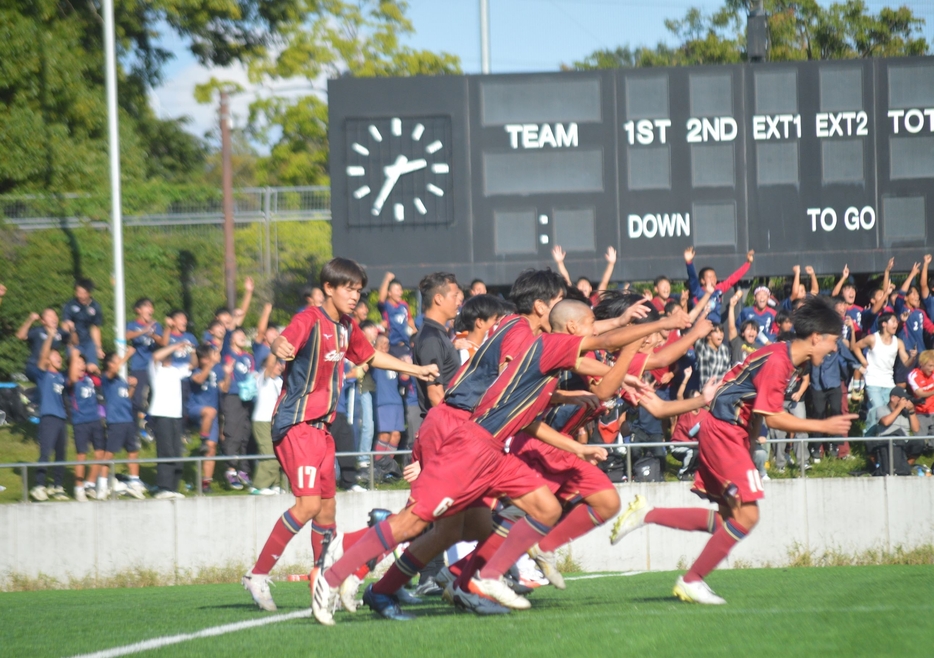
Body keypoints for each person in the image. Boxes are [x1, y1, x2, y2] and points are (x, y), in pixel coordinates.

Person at [313, 299, 680, 624]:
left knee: (544, 508)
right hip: (469, 448)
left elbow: (588, 392)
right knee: (414, 523)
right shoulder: (546, 344)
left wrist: (579, 447)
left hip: (493, 453)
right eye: (586, 325)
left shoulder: (545, 365)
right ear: (568, 326)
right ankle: (336, 572)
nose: (592, 332)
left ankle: (484, 576)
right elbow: (603, 342)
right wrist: (655, 327)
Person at [610, 296, 857, 605]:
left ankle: (648, 514)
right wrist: (825, 426)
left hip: (728, 433)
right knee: (749, 516)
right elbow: (772, 415)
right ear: (816, 338)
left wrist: (750, 445)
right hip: (724, 432)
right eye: (833, 342)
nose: (834, 349)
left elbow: (754, 408)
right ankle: (691, 580)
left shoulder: (784, 356)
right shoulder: (780, 362)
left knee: (730, 520)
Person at [241, 257, 438, 613]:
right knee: (309, 505)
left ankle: (322, 581)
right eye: (348, 288)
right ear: (328, 289)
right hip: (296, 425)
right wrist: (278, 347)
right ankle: (258, 575)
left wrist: (416, 369)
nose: (355, 296)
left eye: (359, 290)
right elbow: (284, 340)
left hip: (323, 430)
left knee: (327, 512)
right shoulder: (309, 318)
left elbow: (372, 357)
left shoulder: (346, 327)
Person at [850, 312, 915, 426]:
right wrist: (863, 360)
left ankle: (885, 437)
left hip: (889, 383)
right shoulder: (872, 338)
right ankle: (870, 439)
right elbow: (855, 346)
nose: (896, 324)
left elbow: (906, 362)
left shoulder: (898, 342)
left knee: (888, 410)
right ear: (884, 324)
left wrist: (913, 357)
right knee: (877, 409)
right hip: (872, 381)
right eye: (893, 321)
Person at [99, 350, 147, 499]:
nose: (120, 361)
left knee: (133, 450)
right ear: (110, 363)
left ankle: (134, 481)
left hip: (128, 420)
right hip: (116, 421)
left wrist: (132, 387)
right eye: (117, 359)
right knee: (110, 453)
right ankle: (102, 483)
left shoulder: (120, 380)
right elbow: (113, 370)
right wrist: (127, 355)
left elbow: (126, 397)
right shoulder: (108, 377)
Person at [149, 341, 193, 499]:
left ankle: (173, 487)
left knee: (176, 452)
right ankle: (163, 487)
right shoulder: (156, 369)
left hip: (176, 416)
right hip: (162, 415)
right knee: (166, 450)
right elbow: (155, 356)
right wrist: (174, 346)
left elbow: (192, 365)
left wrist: (191, 349)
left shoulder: (176, 370)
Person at [30, 330, 69, 502]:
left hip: (61, 419)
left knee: (61, 454)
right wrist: (51, 337)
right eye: (55, 356)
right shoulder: (43, 375)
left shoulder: (61, 377)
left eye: (59, 355)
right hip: (48, 418)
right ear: (47, 360)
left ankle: (57, 486)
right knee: (45, 452)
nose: (58, 358)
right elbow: (43, 354)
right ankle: (39, 485)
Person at [188, 344, 230, 493]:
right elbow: (199, 380)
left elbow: (224, 388)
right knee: (210, 411)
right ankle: (203, 439)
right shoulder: (195, 370)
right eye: (211, 355)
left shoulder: (217, 369)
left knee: (211, 449)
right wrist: (211, 364)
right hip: (196, 409)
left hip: (211, 415)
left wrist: (227, 374)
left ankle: (206, 483)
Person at [66, 348, 105, 502]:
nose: (81, 366)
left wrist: (96, 370)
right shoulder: (70, 381)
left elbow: (103, 379)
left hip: (95, 419)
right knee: (81, 455)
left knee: (100, 453)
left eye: (83, 363)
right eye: (77, 363)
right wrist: (73, 356)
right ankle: (79, 488)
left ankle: (90, 483)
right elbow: (72, 378)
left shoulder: (89, 379)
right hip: (80, 422)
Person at [221, 327, 256, 490]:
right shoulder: (228, 354)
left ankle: (243, 470)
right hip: (233, 397)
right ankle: (231, 469)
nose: (243, 336)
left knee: (245, 434)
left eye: (244, 334)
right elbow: (227, 334)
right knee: (232, 432)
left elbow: (252, 374)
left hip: (247, 398)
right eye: (239, 334)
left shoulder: (248, 357)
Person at [126, 298, 165, 441]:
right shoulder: (132, 324)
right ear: (138, 310)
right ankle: (134, 431)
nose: (151, 310)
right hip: (138, 367)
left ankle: (150, 425)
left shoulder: (156, 325)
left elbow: (162, 342)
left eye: (151, 307)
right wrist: (143, 330)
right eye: (147, 307)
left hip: (153, 367)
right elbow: (126, 335)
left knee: (158, 398)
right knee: (136, 400)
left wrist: (153, 334)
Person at [684, 247, 753, 324]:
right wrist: (689, 262)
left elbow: (733, 279)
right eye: (709, 277)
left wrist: (748, 263)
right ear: (702, 280)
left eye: (714, 276)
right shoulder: (697, 290)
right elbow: (692, 277)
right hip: (700, 325)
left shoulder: (718, 289)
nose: (713, 279)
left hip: (715, 327)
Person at [371, 335, 406, 480]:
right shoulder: (375, 360)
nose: (386, 345)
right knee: (384, 435)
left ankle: (387, 467)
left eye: (387, 343)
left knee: (396, 435)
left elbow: (404, 379)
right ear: (377, 345)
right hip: (383, 402)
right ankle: (377, 466)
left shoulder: (392, 360)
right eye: (382, 343)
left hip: (397, 402)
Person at [251, 353, 285, 495]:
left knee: (279, 453)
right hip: (262, 421)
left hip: (275, 422)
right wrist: (274, 350)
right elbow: (270, 364)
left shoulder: (280, 381)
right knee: (269, 453)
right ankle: (258, 486)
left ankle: (275, 484)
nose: (280, 366)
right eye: (277, 363)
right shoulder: (262, 378)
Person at [17, 309, 69, 384]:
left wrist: (70, 327)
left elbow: (73, 342)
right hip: (34, 366)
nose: (54, 318)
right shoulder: (38, 331)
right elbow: (20, 336)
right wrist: (30, 320)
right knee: (47, 379)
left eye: (55, 315)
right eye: (50, 316)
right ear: (43, 321)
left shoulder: (60, 332)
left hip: (51, 368)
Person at [552, 245, 616, 304]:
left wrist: (611, 263)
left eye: (585, 285)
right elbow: (566, 279)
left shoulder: (596, 299)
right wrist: (559, 262)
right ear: (576, 289)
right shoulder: (574, 300)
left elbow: (604, 281)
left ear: (590, 289)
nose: (583, 286)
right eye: (581, 285)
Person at [62, 278, 104, 366]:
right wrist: (69, 341)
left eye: (83, 293)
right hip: (74, 342)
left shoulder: (95, 306)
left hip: (89, 343)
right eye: (78, 292)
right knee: (74, 367)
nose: (80, 295)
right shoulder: (70, 305)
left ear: (89, 293)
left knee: (92, 367)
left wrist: (98, 348)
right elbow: (65, 325)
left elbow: (95, 328)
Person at [378, 272, 417, 357]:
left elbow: (409, 320)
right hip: (392, 345)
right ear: (389, 293)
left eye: (401, 290)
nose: (400, 293)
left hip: (405, 344)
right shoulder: (386, 305)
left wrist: (414, 330)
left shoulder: (404, 305)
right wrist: (387, 279)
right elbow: (381, 298)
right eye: (397, 290)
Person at [907, 350, 934, 443]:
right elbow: (919, 393)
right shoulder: (913, 375)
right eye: (930, 366)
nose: (932, 369)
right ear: (922, 364)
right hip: (920, 411)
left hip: (933, 409)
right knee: (919, 442)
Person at [728, 292, 759, 366]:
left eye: (754, 329)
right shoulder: (737, 342)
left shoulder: (760, 348)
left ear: (757, 334)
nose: (751, 331)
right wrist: (731, 307)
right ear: (742, 333)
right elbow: (731, 327)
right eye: (748, 329)